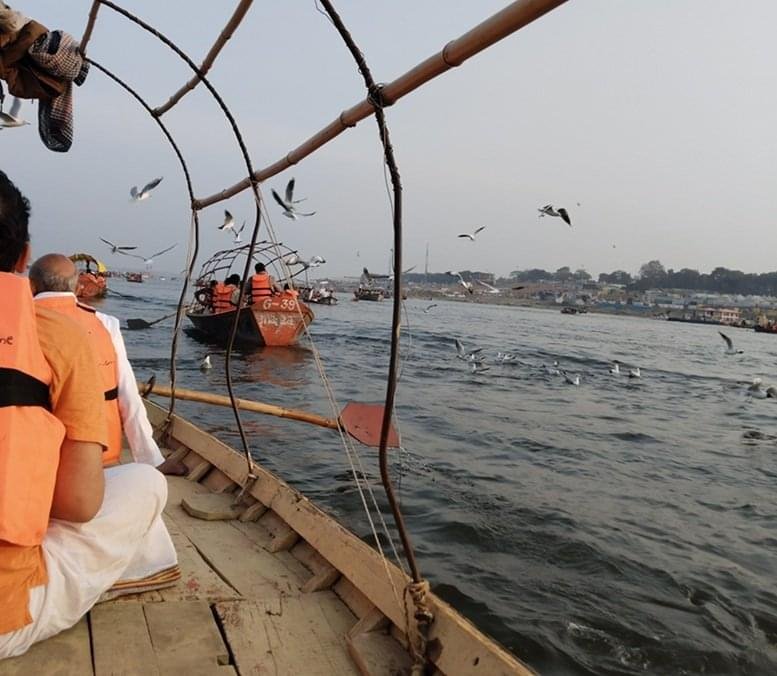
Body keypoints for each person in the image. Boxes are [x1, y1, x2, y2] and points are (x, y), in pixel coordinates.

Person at [0, 171, 176, 659]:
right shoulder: (77, 331)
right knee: (144, 483)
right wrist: (153, 458)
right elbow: (80, 502)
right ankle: (138, 571)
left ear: (33, 278)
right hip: (4, 614)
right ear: (22, 258)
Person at [29, 254, 183, 474]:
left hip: (31, 458)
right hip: (97, 462)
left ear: (31, 285)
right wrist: (152, 459)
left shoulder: (16, 320)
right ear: (77, 287)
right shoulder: (106, 324)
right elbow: (128, 396)